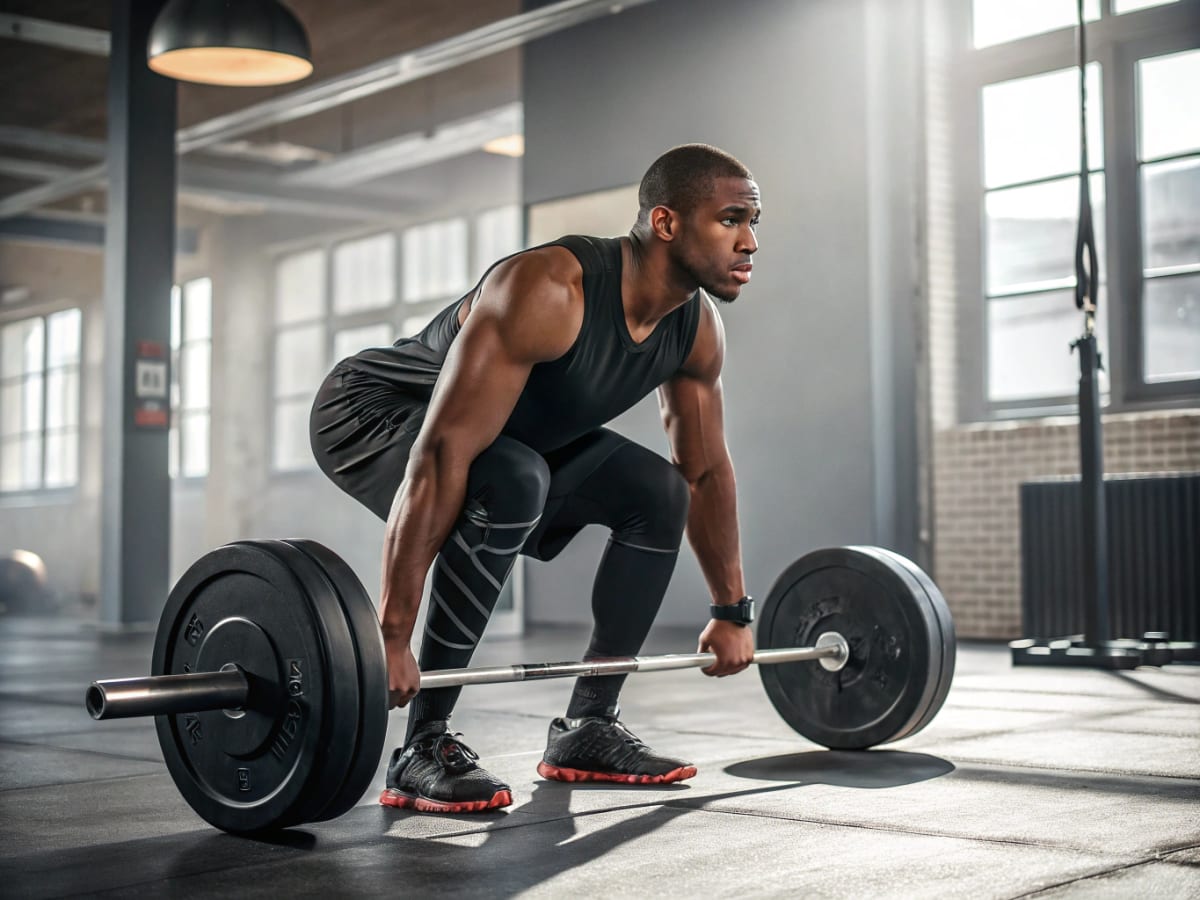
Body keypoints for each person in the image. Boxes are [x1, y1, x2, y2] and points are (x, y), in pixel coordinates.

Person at [310, 143, 760, 814]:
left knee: (659, 492)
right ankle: (422, 745)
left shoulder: (695, 329)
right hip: (371, 411)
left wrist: (731, 613)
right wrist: (393, 634)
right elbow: (441, 455)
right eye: (731, 220)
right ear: (666, 223)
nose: (749, 242)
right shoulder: (550, 288)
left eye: (754, 221)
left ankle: (588, 728)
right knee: (514, 478)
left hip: (505, 440)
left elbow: (704, 470)